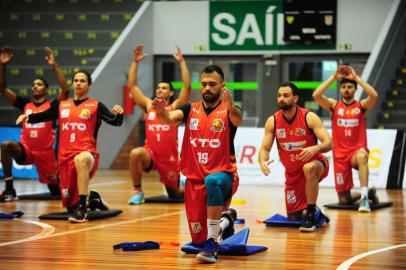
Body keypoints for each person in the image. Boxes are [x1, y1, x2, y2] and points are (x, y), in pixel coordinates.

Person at [16, 70, 124, 223]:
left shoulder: (95, 106)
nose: (78, 83)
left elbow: (116, 122)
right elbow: (44, 115)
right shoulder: (62, 105)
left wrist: (120, 114)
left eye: (82, 81)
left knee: (81, 160)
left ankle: (83, 210)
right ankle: (92, 199)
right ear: (73, 83)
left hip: (87, 154)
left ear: (89, 85)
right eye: (76, 80)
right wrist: (28, 117)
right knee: (68, 204)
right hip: (64, 158)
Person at [259, 82, 332, 232]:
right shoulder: (272, 121)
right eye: (279, 95)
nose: (281, 99)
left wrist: (316, 148)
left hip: (316, 164)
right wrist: (262, 160)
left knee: (309, 167)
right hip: (293, 175)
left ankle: (311, 213)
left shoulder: (309, 117)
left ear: (295, 98)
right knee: (294, 218)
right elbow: (264, 148)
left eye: (286, 96)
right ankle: (317, 212)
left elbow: (329, 143)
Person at [0, 46, 69, 201]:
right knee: (6, 145)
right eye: (33, 85)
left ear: (46, 89)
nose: (35, 86)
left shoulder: (52, 106)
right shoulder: (25, 105)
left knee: (57, 194)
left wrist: (54, 64)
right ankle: (9, 188)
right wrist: (3, 65)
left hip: (45, 155)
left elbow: (65, 90)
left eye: (39, 84)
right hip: (26, 150)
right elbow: (3, 89)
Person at [127, 44, 191, 204]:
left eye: (164, 88)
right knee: (135, 153)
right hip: (150, 153)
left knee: (175, 195)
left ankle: (187, 185)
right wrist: (135, 62)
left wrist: (182, 62)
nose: (160, 90)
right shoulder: (149, 106)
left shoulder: (174, 107)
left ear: (170, 93)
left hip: (169, 159)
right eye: (158, 88)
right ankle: (138, 192)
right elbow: (133, 86)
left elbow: (187, 87)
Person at [312, 65, 379, 212]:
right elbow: (316, 96)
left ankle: (365, 199)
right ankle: (369, 193)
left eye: (350, 86)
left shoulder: (361, 106)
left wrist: (357, 79)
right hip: (340, 155)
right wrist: (333, 78)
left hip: (355, 152)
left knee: (363, 156)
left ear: (355, 89)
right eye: (343, 87)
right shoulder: (334, 106)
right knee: (344, 200)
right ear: (340, 89)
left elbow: (374, 96)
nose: (346, 89)